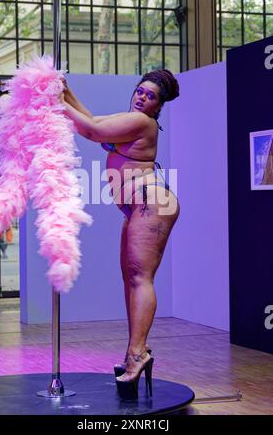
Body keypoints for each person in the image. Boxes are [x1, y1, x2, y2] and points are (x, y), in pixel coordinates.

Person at [61, 70, 180, 399]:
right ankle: (134, 353)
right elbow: (94, 121)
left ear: (158, 107)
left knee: (140, 278)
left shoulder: (143, 123)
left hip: (151, 203)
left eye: (150, 96)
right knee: (131, 279)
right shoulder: (131, 118)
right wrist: (66, 91)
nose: (142, 97)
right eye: (140, 91)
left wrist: (53, 101)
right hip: (139, 207)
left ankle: (138, 354)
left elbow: (92, 131)